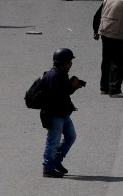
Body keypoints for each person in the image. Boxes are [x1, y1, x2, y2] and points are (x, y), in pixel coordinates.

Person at [39, 48, 84, 178]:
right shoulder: (54, 75)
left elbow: (64, 93)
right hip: (54, 115)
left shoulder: (62, 73)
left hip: (63, 113)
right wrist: (72, 87)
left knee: (71, 136)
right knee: (53, 142)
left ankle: (56, 161)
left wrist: (72, 87)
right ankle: (48, 169)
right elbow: (57, 96)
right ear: (62, 62)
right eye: (69, 61)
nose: (71, 63)